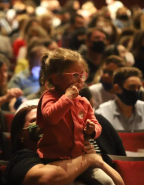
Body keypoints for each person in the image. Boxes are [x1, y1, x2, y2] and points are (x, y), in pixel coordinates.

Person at [36, 48, 120, 185]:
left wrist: (92, 130)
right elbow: (51, 117)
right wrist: (67, 97)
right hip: (54, 159)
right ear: (56, 78)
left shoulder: (83, 102)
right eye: (75, 75)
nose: (80, 81)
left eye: (83, 76)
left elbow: (96, 125)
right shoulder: (49, 97)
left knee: (107, 182)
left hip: (80, 158)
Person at [4, 105, 124, 185]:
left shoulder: (71, 156)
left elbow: (119, 182)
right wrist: (87, 160)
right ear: (21, 135)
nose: (42, 124)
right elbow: (43, 179)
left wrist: (98, 161)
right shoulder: (22, 158)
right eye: (34, 120)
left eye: (46, 119)